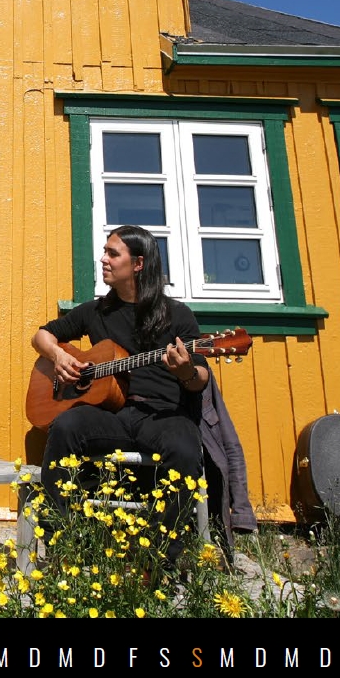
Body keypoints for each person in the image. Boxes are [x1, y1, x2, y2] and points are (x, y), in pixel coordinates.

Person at [32, 225, 208, 539]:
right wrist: (58, 357)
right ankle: (60, 541)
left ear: (138, 264)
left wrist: (185, 372)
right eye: (105, 252)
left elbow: (200, 378)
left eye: (113, 253)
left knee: (184, 448)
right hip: (111, 416)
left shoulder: (177, 315)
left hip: (162, 416)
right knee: (66, 426)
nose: (103, 259)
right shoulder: (96, 311)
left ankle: (158, 561)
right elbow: (41, 336)